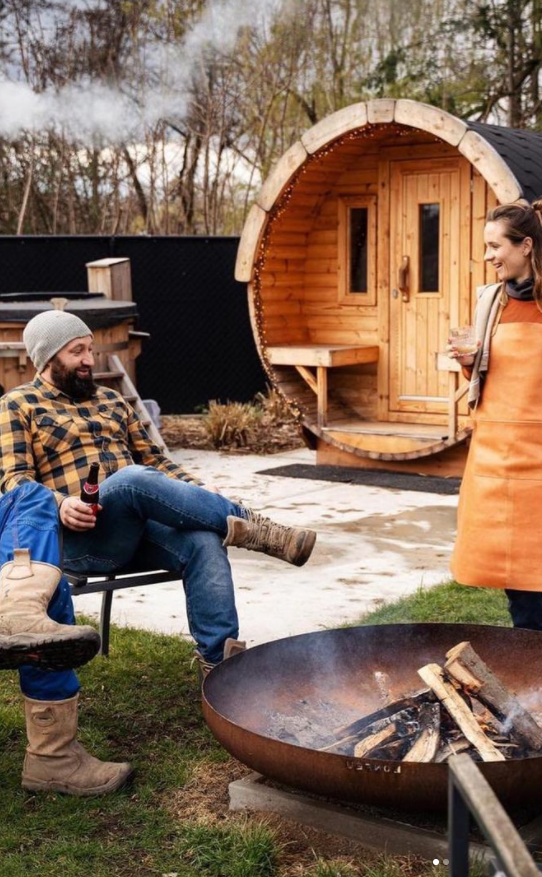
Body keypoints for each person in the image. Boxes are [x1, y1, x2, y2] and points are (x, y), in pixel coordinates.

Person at [0, 308, 317, 796]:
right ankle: (254, 527)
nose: (90, 358)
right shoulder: (18, 405)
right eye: (77, 351)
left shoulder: (111, 401)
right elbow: (14, 482)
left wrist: (200, 501)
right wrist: (63, 505)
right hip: (78, 540)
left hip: (136, 528)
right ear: (48, 357)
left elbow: (158, 465)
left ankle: (221, 673)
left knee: (202, 537)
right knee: (126, 481)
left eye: (90, 347)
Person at [449, 199, 542, 642]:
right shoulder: (491, 305)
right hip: (494, 456)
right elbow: (489, 377)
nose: (488, 256)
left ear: (526, 246)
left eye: (495, 246)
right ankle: (530, 650)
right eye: (486, 247)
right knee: (513, 563)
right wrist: (467, 363)